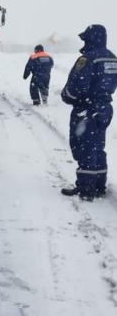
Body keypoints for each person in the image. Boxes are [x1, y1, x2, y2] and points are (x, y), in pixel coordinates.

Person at [61, 25, 117, 201]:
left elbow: (77, 86)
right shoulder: (112, 58)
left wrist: (67, 96)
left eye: (86, 39)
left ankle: (86, 188)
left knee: (84, 147)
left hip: (86, 109)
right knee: (97, 146)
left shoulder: (87, 59)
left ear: (91, 39)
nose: (84, 42)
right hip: (104, 108)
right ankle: (99, 185)